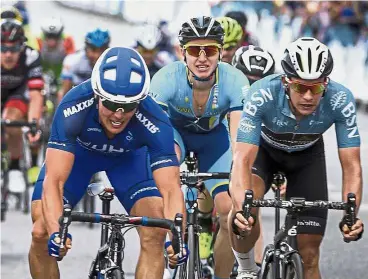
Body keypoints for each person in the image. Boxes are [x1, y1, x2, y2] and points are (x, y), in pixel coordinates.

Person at [28, 47, 186, 279]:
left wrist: (177, 238)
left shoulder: (155, 119)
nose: (118, 115)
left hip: (129, 160)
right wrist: (56, 232)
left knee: (156, 231)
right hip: (79, 158)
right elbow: (54, 181)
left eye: (129, 106)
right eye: (111, 104)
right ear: (97, 95)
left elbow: (171, 190)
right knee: (41, 231)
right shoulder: (74, 105)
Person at [230, 37, 364, 279]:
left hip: (306, 158)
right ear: (285, 82)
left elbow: (352, 165)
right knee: (244, 215)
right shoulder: (262, 93)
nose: (309, 96)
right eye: (301, 88)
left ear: (327, 83)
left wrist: (350, 215)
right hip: (264, 153)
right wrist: (241, 207)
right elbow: (242, 159)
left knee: (309, 255)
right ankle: (246, 269)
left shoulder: (340, 99)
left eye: (317, 88)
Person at [150, 16, 250, 279]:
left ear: (221, 53)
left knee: (229, 212)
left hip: (213, 142)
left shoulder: (235, 80)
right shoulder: (165, 79)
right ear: (183, 52)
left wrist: (239, 181)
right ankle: (170, 252)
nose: (202, 58)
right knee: (167, 179)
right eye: (195, 50)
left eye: (211, 50)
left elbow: (240, 145)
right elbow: (154, 138)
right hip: (175, 136)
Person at [231, 44, 276, 270]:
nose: (252, 88)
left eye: (259, 81)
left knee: (250, 206)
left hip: (253, 157)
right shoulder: (226, 93)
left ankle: (253, 265)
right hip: (225, 152)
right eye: (247, 80)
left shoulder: (271, 102)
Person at [1, 19, 44, 193]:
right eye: (3, 48)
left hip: (19, 93)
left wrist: (34, 124)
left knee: (11, 119)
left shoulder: (31, 56)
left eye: (14, 48)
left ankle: (14, 167)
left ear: (22, 46)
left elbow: (35, 96)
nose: (8, 55)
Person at [57, 28, 110, 103]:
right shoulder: (72, 61)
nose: (97, 55)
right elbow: (64, 92)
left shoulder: (111, 63)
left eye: (101, 50)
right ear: (86, 48)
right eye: (93, 50)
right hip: (77, 97)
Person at [37, 17, 75, 84]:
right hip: (42, 69)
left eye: (55, 37)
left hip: (60, 71)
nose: (52, 41)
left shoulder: (68, 41)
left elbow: (72, 62)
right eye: (49, 36)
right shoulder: (38, 40)